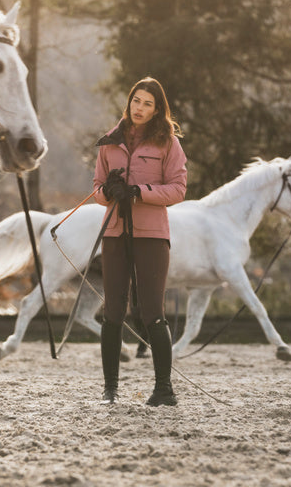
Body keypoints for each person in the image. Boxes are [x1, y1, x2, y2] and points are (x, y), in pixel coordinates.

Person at [92, 77, 187, 406]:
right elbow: (96, 187)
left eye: (148, 103)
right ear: (129, 102)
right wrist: (108, 191)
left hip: (152, 236)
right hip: (115, 234)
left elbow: (178, 189)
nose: (140, 108)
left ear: (157, 109)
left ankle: (164, 390)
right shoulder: (109, 142)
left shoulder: (168, 143)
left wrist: (138, 192)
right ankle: (110, 390)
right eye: (136, 101)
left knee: (152, 312)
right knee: (112, 312)